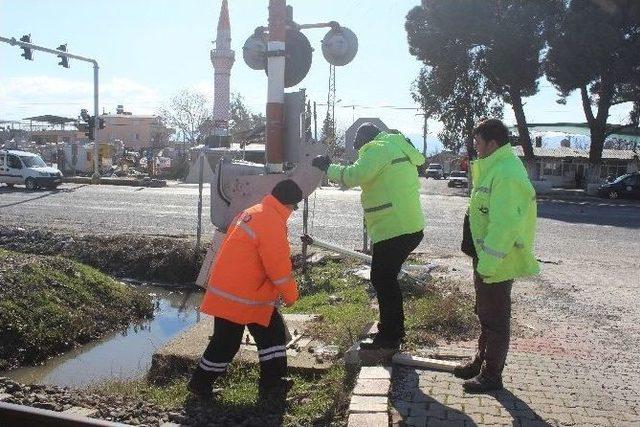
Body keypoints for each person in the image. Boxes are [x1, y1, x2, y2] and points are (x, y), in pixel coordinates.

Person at [312, 123, 425, 350]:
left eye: (356, 140)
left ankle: (390, 336)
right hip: (409, 226)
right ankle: (395, 330)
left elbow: (354, 175)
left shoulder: (377, 149)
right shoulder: (397, 146)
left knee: (383, 279)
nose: (355, 145)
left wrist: (327, 167)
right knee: (386, 279)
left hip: (393, 228)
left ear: (365, 136)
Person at [187, 179, 302, 397]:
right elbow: (278, 266)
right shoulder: (272, 221)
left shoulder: (252, 211)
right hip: (244, 295)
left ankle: (202, 384)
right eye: (294, 208)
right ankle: (269, 384)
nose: (293, 212)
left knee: (236, 340)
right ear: (287, 204)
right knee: (237, 342)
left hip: (231, 289)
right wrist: (291, 295)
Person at [455, 119, 539, 393]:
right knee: (486, 315)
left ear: (492, 144)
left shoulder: (506, 173)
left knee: (496, 319)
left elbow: (504, 225)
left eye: (478, 144)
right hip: (487, 259)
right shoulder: (494, 169)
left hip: (497, 261)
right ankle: (481, 362)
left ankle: (492, 375)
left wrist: (488, 263)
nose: (476, 149)